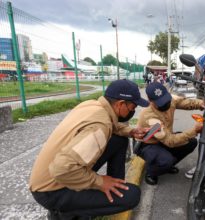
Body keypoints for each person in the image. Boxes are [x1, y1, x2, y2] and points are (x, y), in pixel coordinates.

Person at [29, 79, 150, 219]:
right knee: (132, 196)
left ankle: (114, 188)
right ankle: (64, 213)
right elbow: (61, 169)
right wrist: (99, 182)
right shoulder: (100, 125)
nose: (133, 111)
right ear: (120, 104)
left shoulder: (92, 105)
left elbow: (113, 125)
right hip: (52, 190)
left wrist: (131, 132)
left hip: (53, 176)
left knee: (119, 140)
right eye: (133, 107)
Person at [137, 82, 205, 185]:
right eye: (160, 102)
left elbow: (185, 102)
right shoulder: (149, 117)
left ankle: (167, 165)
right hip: (150, 144)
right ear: (150, 101)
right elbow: (170, 141)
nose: (166, 104)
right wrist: (194, 131)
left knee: (191, 142)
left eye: (166, 99)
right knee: (166, 161)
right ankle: (151, 172)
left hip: (166, 137)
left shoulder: (169, 99)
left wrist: (202, 103)